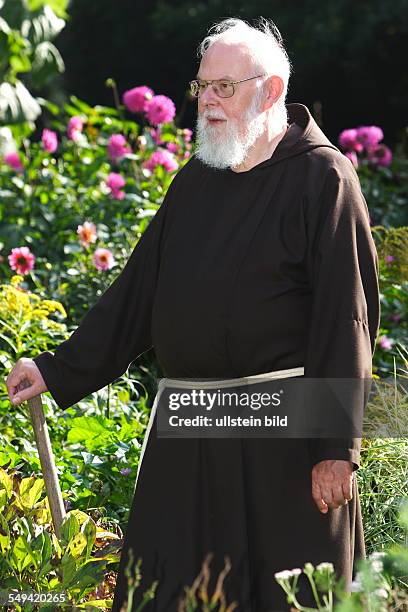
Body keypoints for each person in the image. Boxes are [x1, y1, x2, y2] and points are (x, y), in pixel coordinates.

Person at [6, 16, 380, 612]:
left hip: (283, 441)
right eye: (202, 86)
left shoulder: (323, 178)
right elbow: (138, 294)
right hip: (191, 430)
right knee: (168, 593)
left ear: (272, 90)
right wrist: (58, 368)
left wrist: (337, 445)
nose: (206, 101)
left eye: (222, 88)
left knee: (286, 598)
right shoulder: (194, 183)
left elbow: (347, 318)